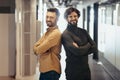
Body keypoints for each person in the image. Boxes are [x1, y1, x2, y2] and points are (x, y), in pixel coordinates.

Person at [62, 7, 98, 80]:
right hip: (72, 71)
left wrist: (80, 48)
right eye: (70, 16)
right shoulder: (65, 34)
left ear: (78, 17)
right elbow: (78, 51)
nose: (73, 18)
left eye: (75, 16)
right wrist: (88, 44)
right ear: (66, 18)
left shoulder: (83, 31)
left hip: (85, 70)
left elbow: (94, 47)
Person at [33, 8, 61, 80]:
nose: (48, 19)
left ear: (57, 19)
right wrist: (41, 49)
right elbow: (35, 47)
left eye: (51, 17)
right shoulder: (48, 32)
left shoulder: (55, 33)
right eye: (47, 16)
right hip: (45, 69)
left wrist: (40, 49)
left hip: (51, 70)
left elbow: (38, 50)